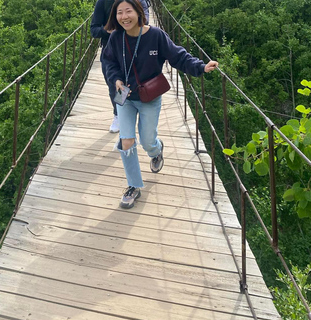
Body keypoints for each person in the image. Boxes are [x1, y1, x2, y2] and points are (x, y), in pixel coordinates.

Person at [102, 0, 219, 209]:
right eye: (119, 12)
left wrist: (201, 67)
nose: (124, 17)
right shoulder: (115, 38)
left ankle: (156, 151)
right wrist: (116, 79)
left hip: (149, 98)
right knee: (126, 141)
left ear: (139, 12)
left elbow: (178, 56)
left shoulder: (156, 36)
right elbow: (108, 62)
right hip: (125, 98)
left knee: (147, 142)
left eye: (128, 11)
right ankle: (133, 186)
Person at [91, 0, 149, 133]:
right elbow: (94, 30)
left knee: (136, 84)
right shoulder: (104, 2)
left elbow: (145, 23)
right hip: (111, 53)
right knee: (115, 87)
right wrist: (108, 31)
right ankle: (118, 114)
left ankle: (132, 116)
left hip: (134, 52)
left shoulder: (139, 2)